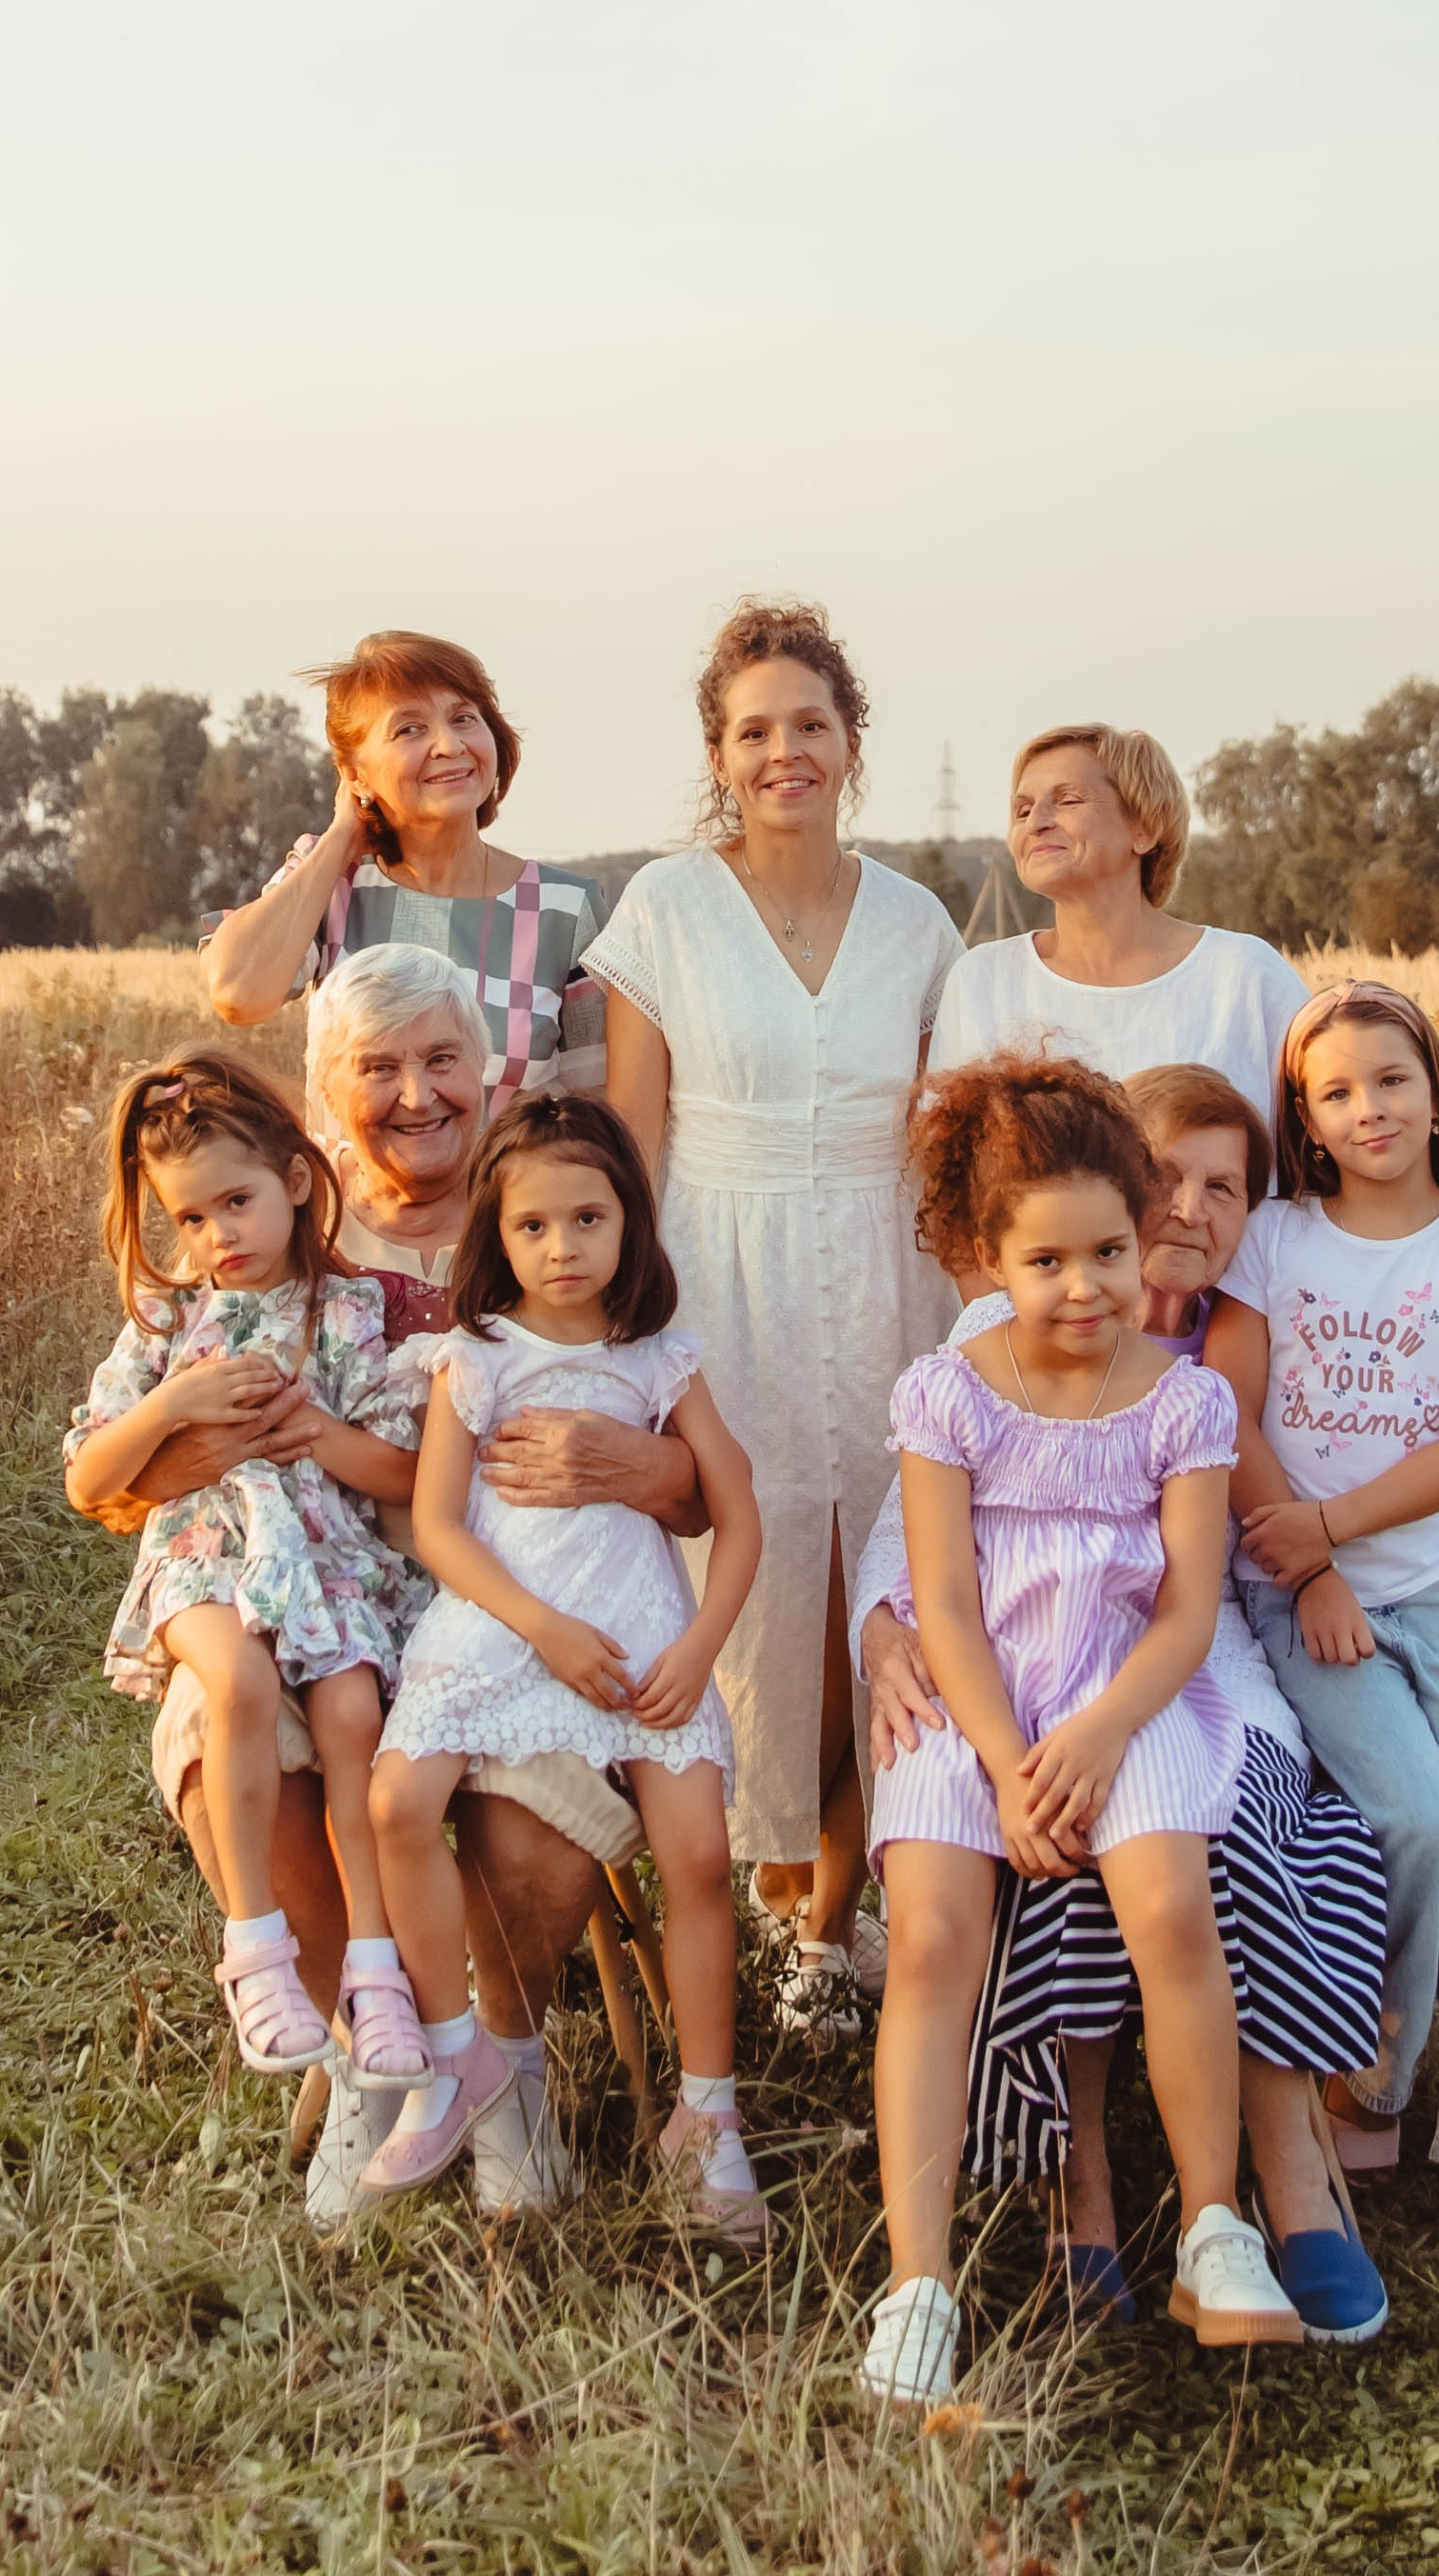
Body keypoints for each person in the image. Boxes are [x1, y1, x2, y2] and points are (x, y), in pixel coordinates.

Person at [67, 949, 708, 2223]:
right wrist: (205, 1431)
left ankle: (505, 2063)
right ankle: (376, 2052)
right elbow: (110, 1485)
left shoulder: (557, 1209)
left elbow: (696, 1472)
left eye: (441, 1060)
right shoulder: (253, 1243)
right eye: (377, 1068)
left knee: (529, 1791)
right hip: (305, 1600)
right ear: (322, 1110)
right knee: (230, 1732)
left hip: (507, 1609)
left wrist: (645, 1464)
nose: (416, 1094)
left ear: (488, 1071)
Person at [856, 1066, 1391, 2346]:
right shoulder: (949, 1392)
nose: (1086, 1286)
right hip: (981, 1702)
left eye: (1109, 1249)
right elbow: (944, 1598)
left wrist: (1094, 1738)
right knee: (933, 1937)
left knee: (1171, 1903)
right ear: (983, 1256)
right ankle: (915, 2282)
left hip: (1131, 1694)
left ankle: (1216, 2226)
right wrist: (1004, 1762)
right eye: (1046, 1259)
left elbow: (1186, 1613)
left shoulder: (1185, 1399)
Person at [585, 599, 964, 2040]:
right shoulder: (668, 912)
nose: (783, 751)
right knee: (738, 1596)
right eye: (755, 730)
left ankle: (832, 1922)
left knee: (882, 1585)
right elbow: (629, 1129)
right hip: (714, 1268)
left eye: (810, 724)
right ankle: (739, 1878)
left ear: (850, 745)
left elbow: (943, 1133)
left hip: (887, 1272)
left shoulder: (918, 921)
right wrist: (615, 1330)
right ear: (719, 754)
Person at [1208, 981, 1439, 2237]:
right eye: (1337, 1091)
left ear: (1434, 1092)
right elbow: (1228, 1412)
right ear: (1303, 1118)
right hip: (1297, 1596)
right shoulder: (1275, 1236)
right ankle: (1371, 2078)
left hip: (1435, 1588)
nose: (1369, 1108)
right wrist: (1306, 1570)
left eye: (1391, 1080)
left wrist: (1335, 1530)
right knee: (1414, 1821)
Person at [366, 1096, 766, 2226]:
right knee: (401, 1796)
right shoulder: (476, 1355)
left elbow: (737, 1516)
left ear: (631, 1224)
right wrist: (537, 1625)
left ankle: (707, 2112)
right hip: (502, 1619)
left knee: (696, 1852)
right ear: (496, 1234)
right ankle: (459, 2056)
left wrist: (699, 1647)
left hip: (640, 1629)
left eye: (587, 1218)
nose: (561, 1247)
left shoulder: (661, 1360)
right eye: (532, 1226)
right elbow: (440, 1524)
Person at [63, 1051, 430, 2087]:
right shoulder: (167, 1319)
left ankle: (374, 1970)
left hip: (325, 1555)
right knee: (241, 1680)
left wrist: (312, 1432)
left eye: (237, 1200)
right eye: (189, 1217)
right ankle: (254, 1946)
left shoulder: (345, 1312)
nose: (217, 1234)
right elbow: (90, 1473)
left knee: (354, 1712)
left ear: (297, 1184)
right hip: (202, 1552)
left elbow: (400, 1464)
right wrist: (175, 1404)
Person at [203, 631, 605, 1115]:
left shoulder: (564, 908)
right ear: (355, 774)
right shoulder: (330, 882)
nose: (449, 745)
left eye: (463, 719)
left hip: (504, 1191)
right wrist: (338, 840)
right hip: (352, 1192)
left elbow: (595, 1109)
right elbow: (238, 995)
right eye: (409, 729)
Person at [929, 721, 1307, 1125]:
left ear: (1145, 829)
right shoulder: (981, 981)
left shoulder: (1245, 975)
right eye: (1022, 810)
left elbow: (1315, 1153)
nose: (1035, 821)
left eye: (1068, 801)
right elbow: (944, 1163)